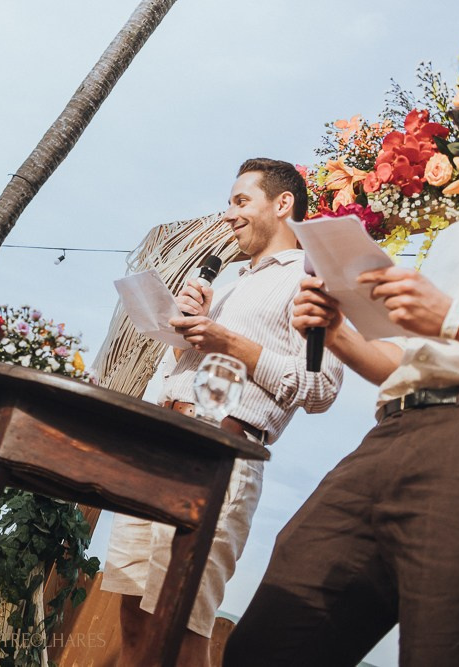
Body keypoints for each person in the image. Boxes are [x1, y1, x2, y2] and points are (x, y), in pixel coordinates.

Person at [224, 21, 459, 667]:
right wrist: (335, 330)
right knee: (271, 640)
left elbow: (451, 327)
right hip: (389, 435)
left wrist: (452, 315)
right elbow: (405, 361)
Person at [102, 158, 343, 666]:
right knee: (133, 625)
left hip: (220, 456)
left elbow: (321, 388)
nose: (228, 213)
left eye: (240, 201)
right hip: (159, 444)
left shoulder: (312, 280)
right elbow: (188, 363)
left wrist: (228, 340)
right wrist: (187, 329)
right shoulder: (228, 282)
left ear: (283, 204)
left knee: (181, 628)